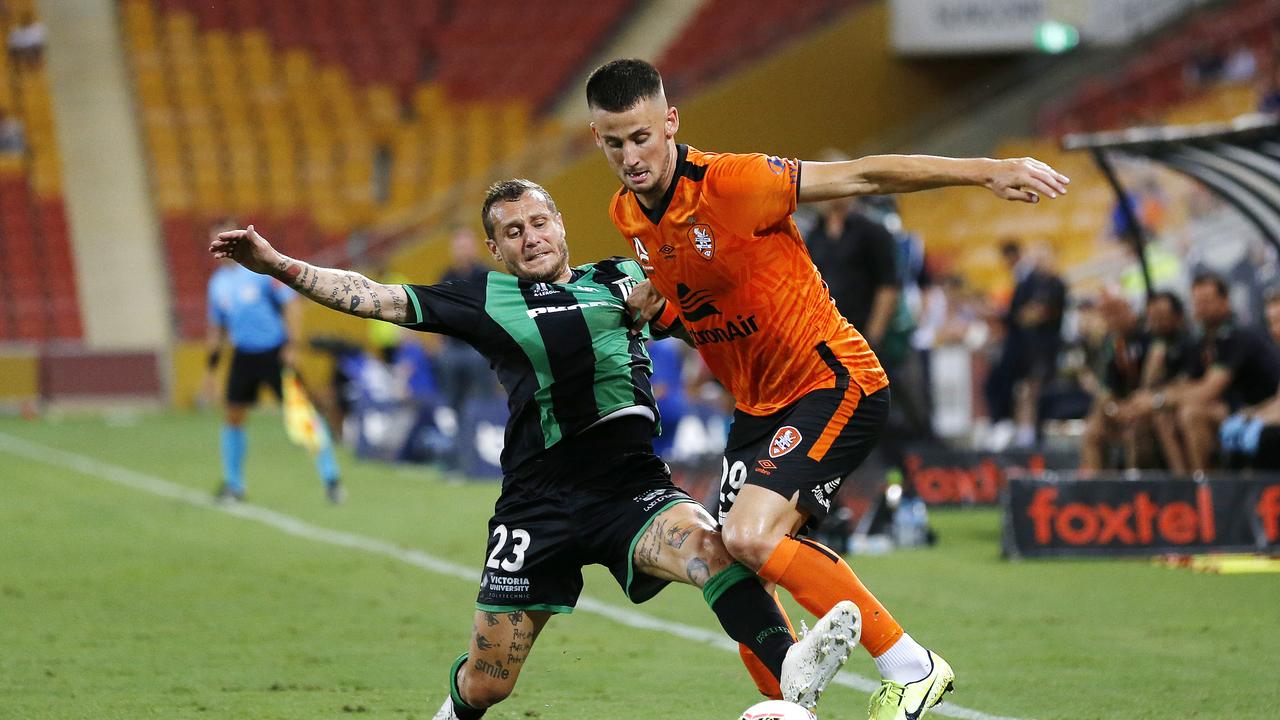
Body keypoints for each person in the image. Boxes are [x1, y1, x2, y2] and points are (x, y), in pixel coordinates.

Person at [210, 179, 862, 719]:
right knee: (489, 682)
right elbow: (374, 297)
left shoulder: (625, 280)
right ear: (496, 249)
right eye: (513, 231)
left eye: (539, 222)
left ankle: (790, 677)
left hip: (630, 492)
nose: (531, 237)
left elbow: (712, 320)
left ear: (561, 226)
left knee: (715, 550)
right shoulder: (485, 299)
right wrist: (277, 266)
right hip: (536, 508)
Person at [584, 58, 1069, 720]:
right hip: (757, 407)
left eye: (641, 137)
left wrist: (985, 169)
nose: (631, 156)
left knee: (751, 537)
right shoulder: (628, 216)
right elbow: (700, 307)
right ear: (598, 141)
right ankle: (792, 698)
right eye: (615, 143)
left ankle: (912, 665)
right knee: (727, 563)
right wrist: (657, 311)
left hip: (831, 380)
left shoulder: (735, 182)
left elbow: (865, 173)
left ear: (670, 123)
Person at [203, 218, 344, 503]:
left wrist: (292, 345)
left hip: (275, 353)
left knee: (303, 416)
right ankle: (234, 485)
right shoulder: (217, 285)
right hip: (243, 356)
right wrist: (210, 371)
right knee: (233, 416)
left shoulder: (258, 271)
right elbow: (217, 329)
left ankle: (332, 479)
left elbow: (292, 305)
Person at [1162, 273, 1280, 473]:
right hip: (1246, 409)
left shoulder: (1239, 335)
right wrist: (1253, 416)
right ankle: (1185, 488)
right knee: (1164, 415)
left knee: (1192, 414)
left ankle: (1210, 486)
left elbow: (1209, 390)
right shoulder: (1197, 342)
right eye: (1272, 322)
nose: (1276, 329)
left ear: (1225, 300)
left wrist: (1256, 419)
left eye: (1207, 301)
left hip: (1239, 405)